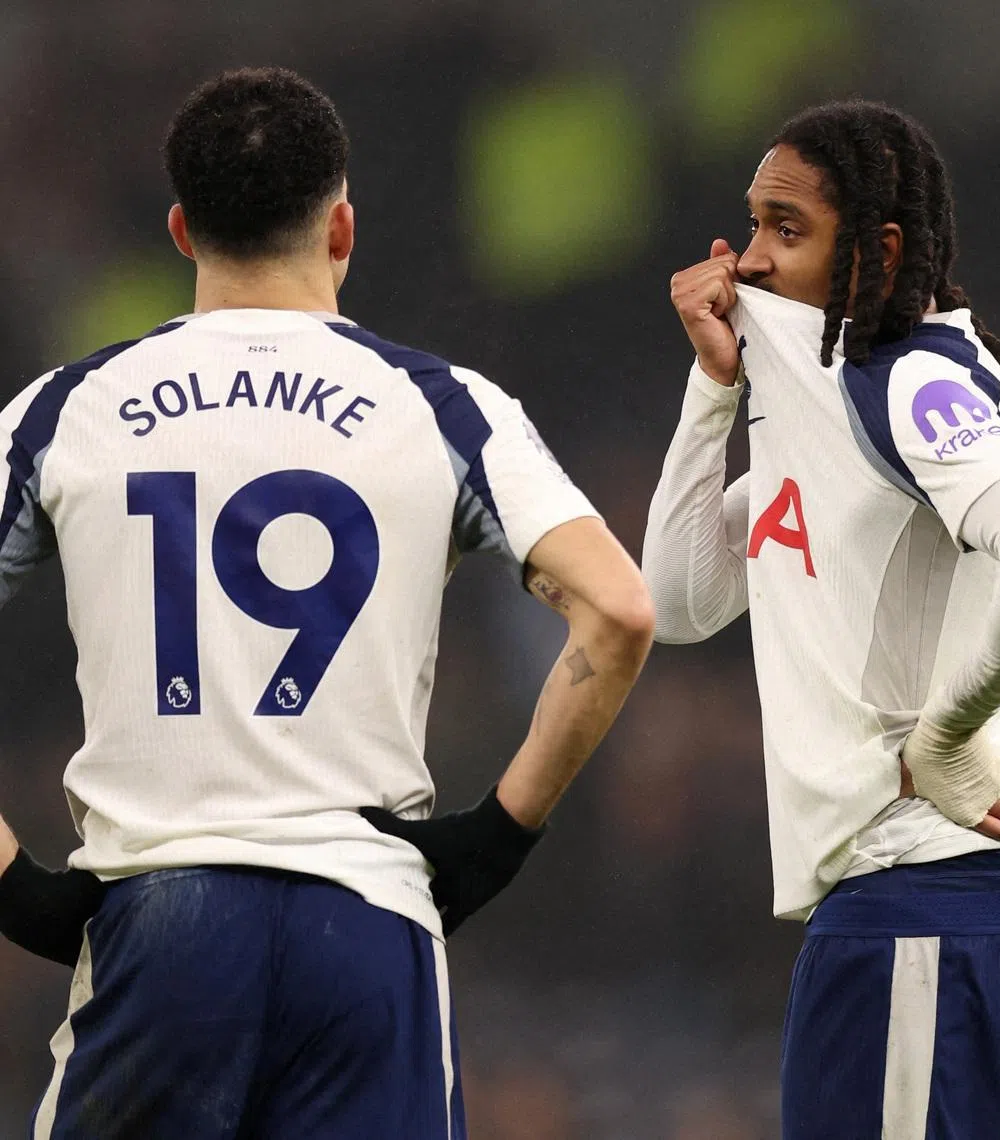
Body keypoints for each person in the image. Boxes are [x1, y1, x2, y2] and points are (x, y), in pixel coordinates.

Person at [0, 66, 654, 1139]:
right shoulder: (442, 404)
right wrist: (496, 835)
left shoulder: (67, 409)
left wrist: (16, 886)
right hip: (368, 920)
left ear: (180, 229)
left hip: (160, 919)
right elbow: (620, 610)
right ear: (342, 226)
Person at [642, 100, 1000, 1139]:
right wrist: (711, 388)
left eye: (786, 228)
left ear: (880, 247)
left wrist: (948, 733)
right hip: (894, 908)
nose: (749, 262)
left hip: (926, 897)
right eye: (752, 224)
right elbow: (676, 606)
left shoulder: (908, 382)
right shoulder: (826, 412)